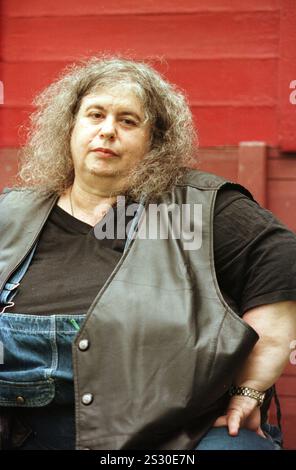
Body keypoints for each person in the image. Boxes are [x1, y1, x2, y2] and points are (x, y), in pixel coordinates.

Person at [0, 56, 296, 451]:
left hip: (169, 438)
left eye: (127, 121)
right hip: (23, 429)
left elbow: (280, 261)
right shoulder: (12, 212)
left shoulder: (192, 210)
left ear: (155, 140)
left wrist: (252, 387)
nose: (107, 131)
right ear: (69, 128)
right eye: (95, 115)